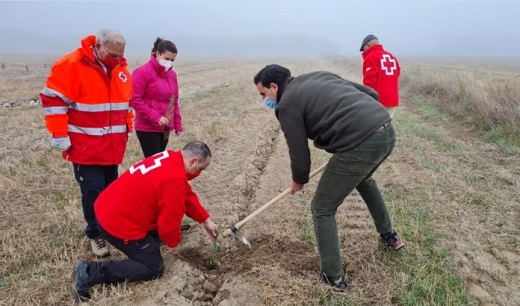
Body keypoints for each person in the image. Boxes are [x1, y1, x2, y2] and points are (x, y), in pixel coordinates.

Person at [253, 64, 404, 292]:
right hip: (386, 130)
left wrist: (299, 180)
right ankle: (389, 236)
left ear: (274, 86)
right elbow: (372, 95)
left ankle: (332, 278)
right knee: (363, 180)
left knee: (322, 208)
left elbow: (299, 153)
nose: (264, 100)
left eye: (264, 94)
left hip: (361, 142)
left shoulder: (286, 105)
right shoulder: (318, 76)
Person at [73, 141, 218, 301]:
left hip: (106, 206)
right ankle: (89, 272)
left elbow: (185, 194)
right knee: (153, 267)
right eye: (201, 169)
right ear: (193, 162)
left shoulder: (170, 157)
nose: (200, 173)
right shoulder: (174, 178)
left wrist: (205, 220)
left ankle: (149, 242)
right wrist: (172, 241)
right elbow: (169, 222)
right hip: (117, 224)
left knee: (155, 236)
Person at [40, 29, 133, 257]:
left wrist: (127, 127)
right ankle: (96, 235)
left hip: (112, 147)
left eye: (120, 55)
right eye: (112, 55)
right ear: (98, 47)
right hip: (85, 147)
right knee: (93, 192)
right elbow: (53, 103)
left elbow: (126, 104)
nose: (117, 59)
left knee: (111, 192)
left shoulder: (120, 70)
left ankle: (111, 228)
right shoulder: (71, 65)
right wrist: (60, 136)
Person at [131, 37, 182, 158]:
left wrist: (177, 122)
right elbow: (135, 100)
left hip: (165, 129)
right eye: (167, 59)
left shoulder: (172, 75)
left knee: (161, 161)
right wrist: (156, 117)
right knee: (153, 163)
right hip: (147, 128)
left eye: (172, 60)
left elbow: (173, 101)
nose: (169, 62)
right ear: (157, 53)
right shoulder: (142, 72)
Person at [360, 34, 401, 117]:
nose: (363, 52)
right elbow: (397, 73)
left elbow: (369, 82)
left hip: (379, 101)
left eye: (363, 49)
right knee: (387, 126)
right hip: (393, 99)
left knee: (376, 127)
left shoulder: (371, 57)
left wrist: (368, 100)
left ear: (368, 45)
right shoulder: (391, 56)